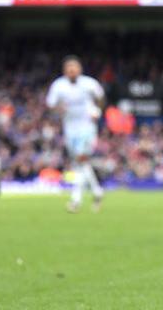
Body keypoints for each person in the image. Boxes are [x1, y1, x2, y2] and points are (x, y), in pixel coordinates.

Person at [46, 56, 105, 213]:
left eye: (74, 68)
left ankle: (75, 200)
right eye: (69, 68)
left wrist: (97, 111)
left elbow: (100, 97)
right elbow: (51, 104)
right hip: (70, 129)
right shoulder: (59, 86)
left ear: (80, 69)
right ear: (65, 71)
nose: (72, 71)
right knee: (80, 163)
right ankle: (97, 191)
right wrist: (59, 109)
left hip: (86, 127)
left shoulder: (89, 83)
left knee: (80, 160)